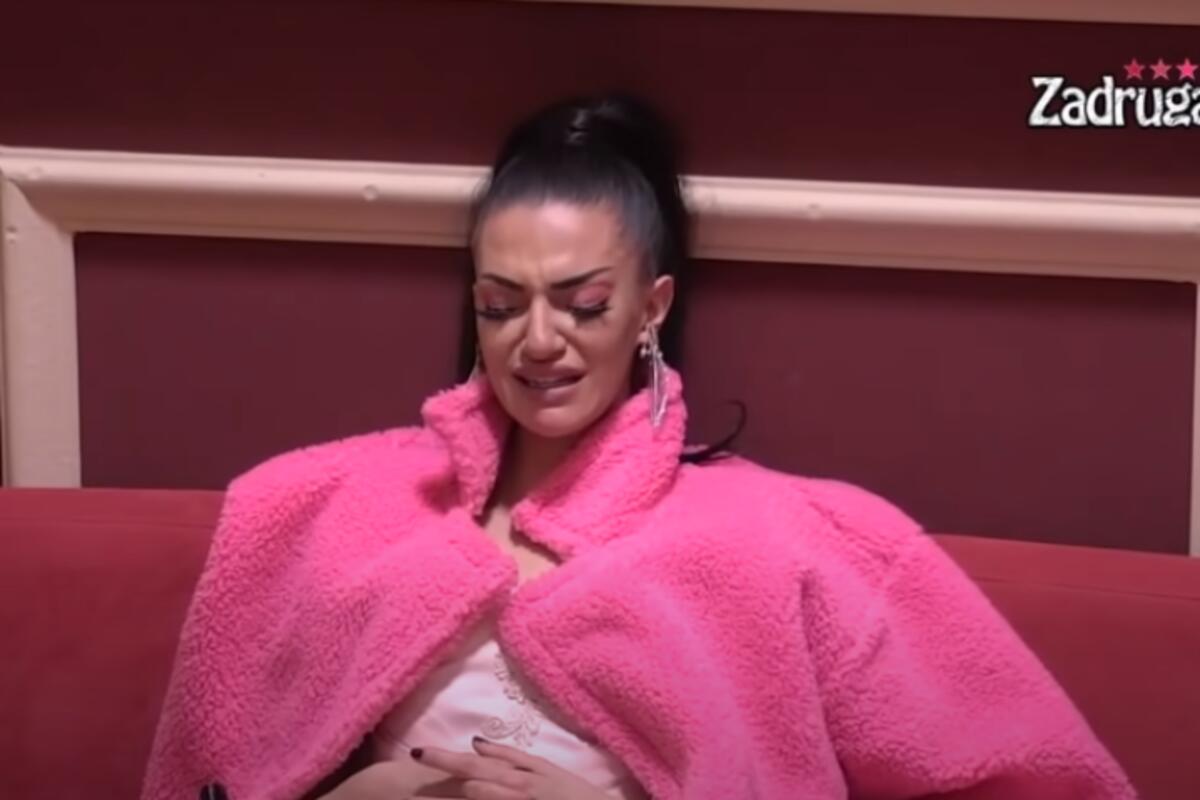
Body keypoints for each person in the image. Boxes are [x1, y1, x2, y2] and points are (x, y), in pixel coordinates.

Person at [142, 93, 1136, 800]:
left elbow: (1038, 773)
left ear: (652, 307)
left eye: (582, 303)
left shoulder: (787, 539)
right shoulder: (333, 504)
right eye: (501, 305)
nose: (538, 340)